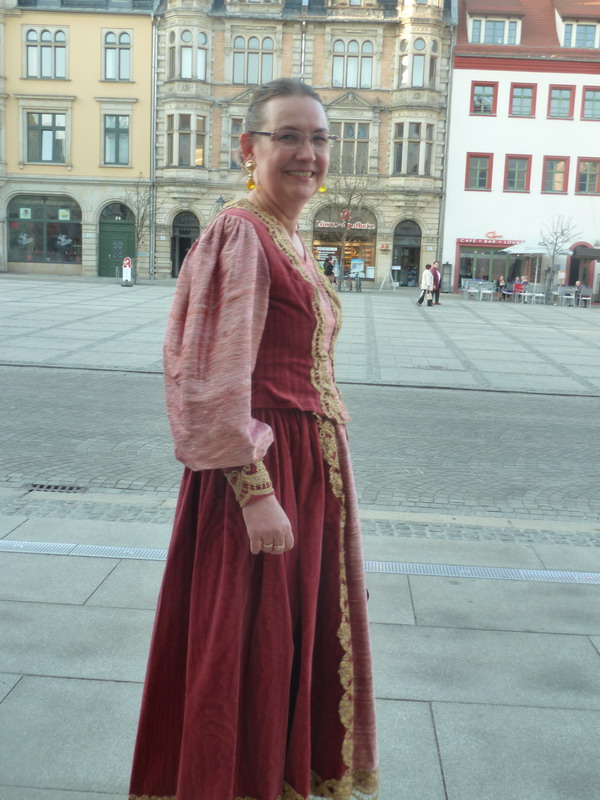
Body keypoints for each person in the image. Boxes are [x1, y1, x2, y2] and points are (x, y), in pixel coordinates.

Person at [128, 78, 378, 800]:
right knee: (251, 648)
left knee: (284, 646)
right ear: (249, 148)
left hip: (309, 472)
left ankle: (277, 777)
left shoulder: (288, 234)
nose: (309, 153)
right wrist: (256, 492)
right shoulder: (240, 231)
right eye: (289, 137)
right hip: (263, 478)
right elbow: (207, 373)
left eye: (319, 138)